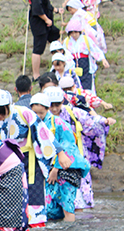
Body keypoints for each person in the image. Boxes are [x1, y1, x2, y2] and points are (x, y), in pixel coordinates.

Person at [0, 89, 59, 228]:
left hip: (28, 160)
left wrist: (57, 155)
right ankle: (11, 226)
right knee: (8, 195)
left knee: (33, 192)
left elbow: (43, 133)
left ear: (8, 106)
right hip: (5, 165)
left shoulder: (23, 113)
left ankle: (35, 224)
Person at [29, 93, 90, 222]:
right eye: (35, 113)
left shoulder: (58, 123)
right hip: (49, 170)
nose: (38, 116)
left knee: (67, 205)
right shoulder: (35, 125)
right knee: (52, 207)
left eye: (41, 113)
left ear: (47, 109)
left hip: (66, 168)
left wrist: (56, 169)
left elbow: (68, 146)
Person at [28, 0, 63, 80]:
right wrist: (47, 19)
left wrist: (56, 10)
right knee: (38, 48)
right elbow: (37, 9)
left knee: (56, 36)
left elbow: (46, 5)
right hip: (40, 24)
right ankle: (36, 75)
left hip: (47, 24)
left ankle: (59, 65)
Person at [63, 19, 109, 93]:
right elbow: (64, 54)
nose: (74, 35)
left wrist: (103, 59)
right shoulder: (66, 41)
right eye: (71, 33)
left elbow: (95, 49)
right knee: (75, 86)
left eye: (76, 32)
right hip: (73, 65)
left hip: (86, 65)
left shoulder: (86, 39)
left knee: (88, 87)